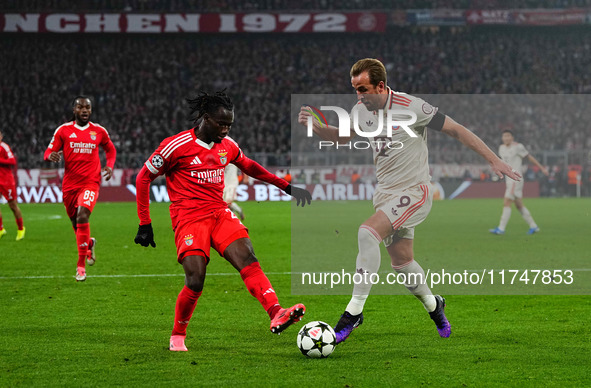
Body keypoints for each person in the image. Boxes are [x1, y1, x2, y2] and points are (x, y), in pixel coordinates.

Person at [298, 58, 520, 344]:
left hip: (415, 191)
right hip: (386, 194)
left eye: (363, 89)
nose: (359, 96)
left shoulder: (412, 107)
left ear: (381, 86)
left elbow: (456, 129)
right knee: (403, 264)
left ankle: (352, 314)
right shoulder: (359, 110)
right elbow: (343, 137)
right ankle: (434, 306)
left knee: (367, 233)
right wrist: (316, 127)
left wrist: (495, 160)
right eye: (355, 90)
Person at [134, 91, 312, 352]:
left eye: (229, 124)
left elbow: (250, 166)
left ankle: (276, 311)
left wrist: (286, 187)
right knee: (195, 279)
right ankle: (178, 335)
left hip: (219, 213)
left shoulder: (227, 145)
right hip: (189, 217)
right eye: (221, 123)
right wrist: (144, 223)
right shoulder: (176, 145)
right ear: (206, 118)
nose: (226, 129)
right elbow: (142, 178)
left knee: (247, 256)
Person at [44, 96, 116, 282]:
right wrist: (50, 155)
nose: (84, 110)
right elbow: (48, 151)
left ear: (90, 111)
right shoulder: (64, 131)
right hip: (70, 186)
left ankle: (80, 266)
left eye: (87, 108)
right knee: (76, 227)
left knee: (82, 215)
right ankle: (89, 243)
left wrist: (109, 165)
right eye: (80, 107)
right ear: (74, 110)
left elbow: (110, 149)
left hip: (91, 182)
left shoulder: (98, 131)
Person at [489, 130, 549, 235]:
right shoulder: (501, 148)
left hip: (515, 179)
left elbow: (529, 157)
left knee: (507, 201)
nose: (506, 138)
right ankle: (534, 226)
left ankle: (501, 228)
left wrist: (541, 168)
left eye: (508, 136)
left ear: (512, 138)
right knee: (519, 205)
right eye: (504, 136)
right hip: (508, 179)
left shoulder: (518, 147)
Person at [0, 130, 25, 241]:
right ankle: (1, 229)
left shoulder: (4, 147)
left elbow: (12, 161)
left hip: (6, 180)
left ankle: (21, 229)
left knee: (13, 206)